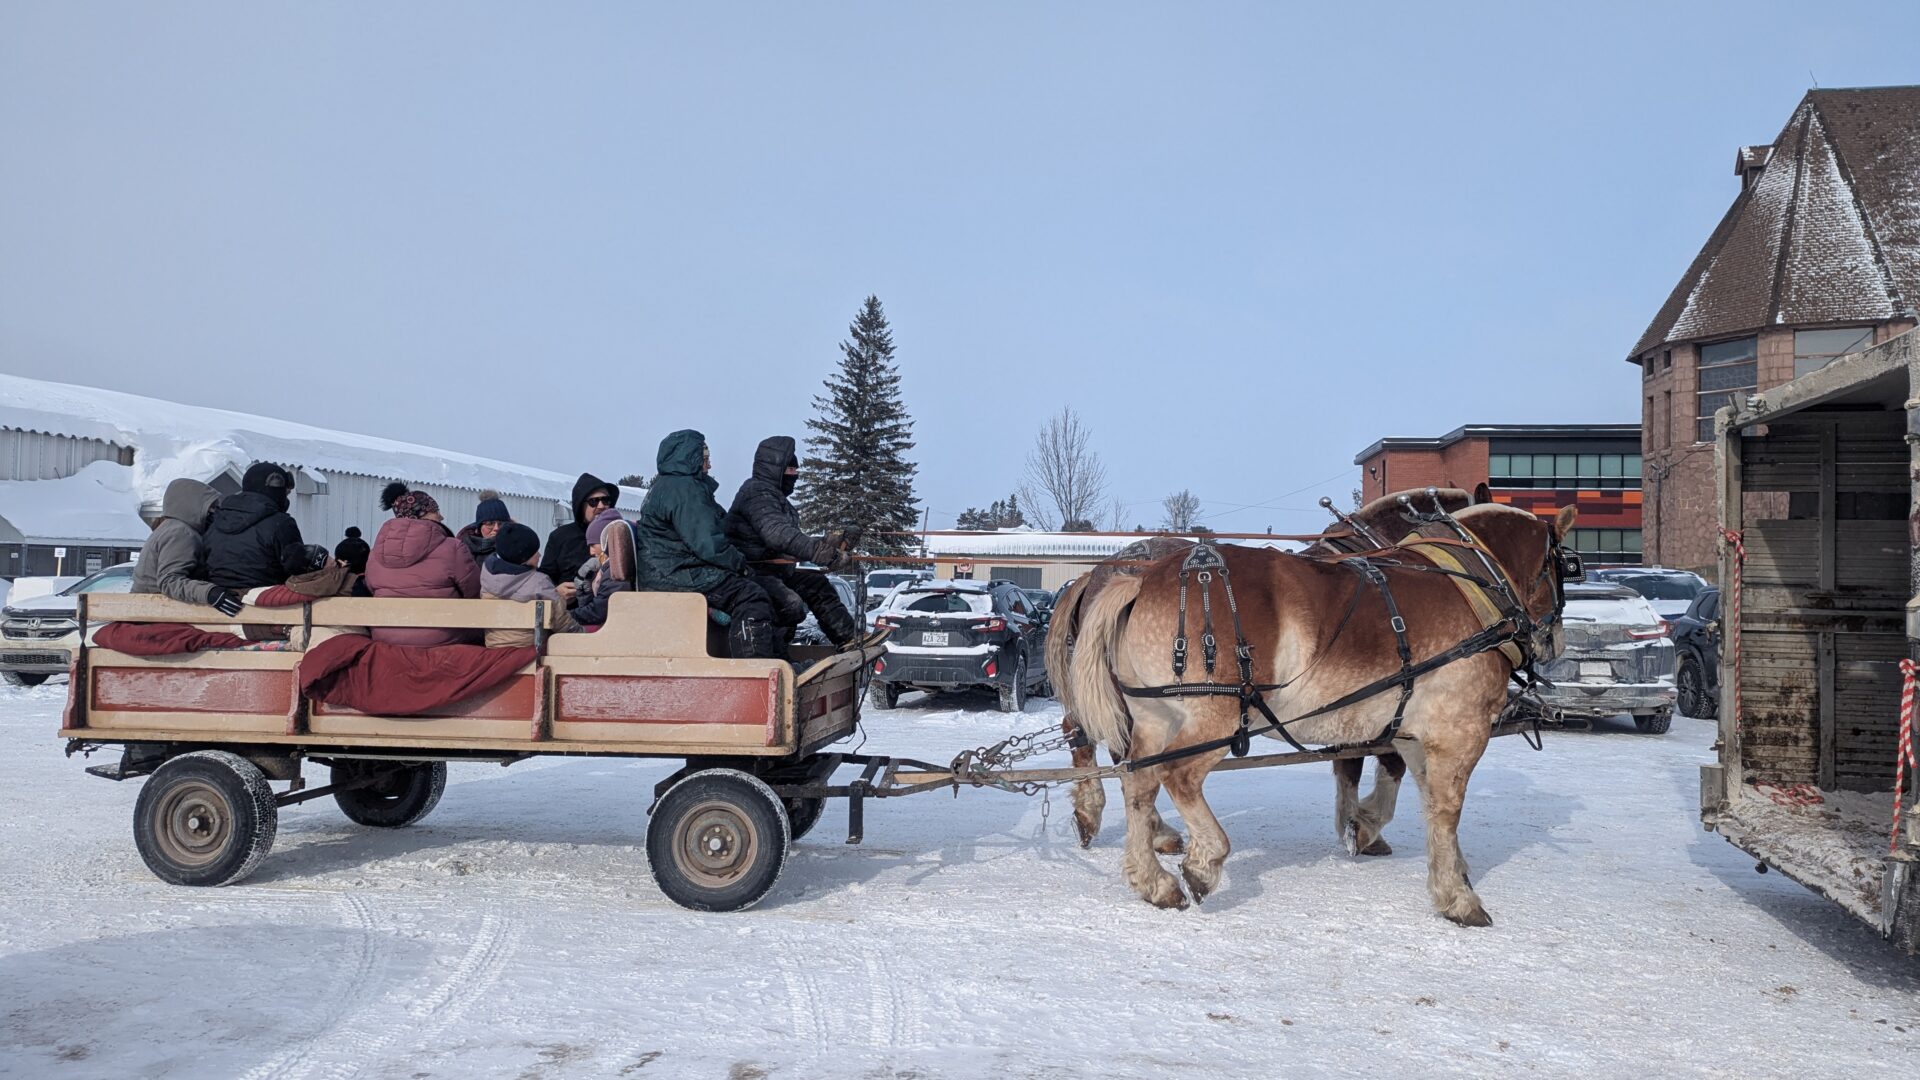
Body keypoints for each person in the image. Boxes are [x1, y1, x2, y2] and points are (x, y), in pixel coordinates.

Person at [636, 429, 776, 658]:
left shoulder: (673, 486)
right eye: (706, 459)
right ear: (691, 458)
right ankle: (755, 668)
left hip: (673, 570)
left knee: (761, 587)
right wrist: (740, 564)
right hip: (676, 575)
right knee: (751, 596)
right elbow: (708, 544)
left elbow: (716, 529)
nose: (709, 465)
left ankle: (778, 659)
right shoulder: (684, 490)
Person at [724, 435, 861, 648]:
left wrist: (832, 543)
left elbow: (791, 540)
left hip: (774, 572)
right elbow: (778, 534)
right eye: (791, 470)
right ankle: (775, 655)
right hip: (750, 572)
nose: (795, 476)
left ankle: (849, 639)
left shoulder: (774, 497)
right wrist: (820, 553)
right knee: (789, 603)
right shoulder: (756, 493)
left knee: (816, 584)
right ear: (776, 468)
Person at [363, 488, 481, 646]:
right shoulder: (453, 547)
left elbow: (371, 588)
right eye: (435, 511)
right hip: (442, 638)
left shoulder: (375, 553)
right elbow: (475, 593)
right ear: (421, 515)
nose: (441, 516)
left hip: (386, 637)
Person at [130, 477, 244, 615]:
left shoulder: (172, 528)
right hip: (155, 612)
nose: (214, 512)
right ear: (192, 506)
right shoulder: (181, 533)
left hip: (151, 609)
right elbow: (169, 581)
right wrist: (210, 593)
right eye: (211, 507)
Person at [205, 462, 307, 592]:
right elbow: (298, 568)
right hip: (266, 601)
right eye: (285, 493)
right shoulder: (281, 523)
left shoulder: (216, 519)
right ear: (276, 489)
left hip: (219, 600)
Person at [481, 522, 579, 647]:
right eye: (534, 552)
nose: (539, 555)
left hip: (494, 648)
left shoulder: (487, 575)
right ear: (523, 557)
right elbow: (562, 623)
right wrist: (582, 635)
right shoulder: (539, 582)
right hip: (530, 650)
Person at [541, 473, 617, 586]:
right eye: (594, 501)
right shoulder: (560, 537)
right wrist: (557, 592)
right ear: (581, 505)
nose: (601, 506)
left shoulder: (620, 533)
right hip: (573, 603)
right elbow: (545, 578)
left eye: (606, 500)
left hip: (612, 602)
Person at [569, 508, 636, 627]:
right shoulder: (606, 568)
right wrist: (585, 587)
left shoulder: (616, 570)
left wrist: (567, 616)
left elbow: (599, 612)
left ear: (607, 541)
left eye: (593, 545)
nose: (591, 551)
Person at [456, 492, 511, 566]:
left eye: (501, 524)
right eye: (490, 524)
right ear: (478, 528)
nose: (496, 528)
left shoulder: (516, 547)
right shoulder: (463, 549)